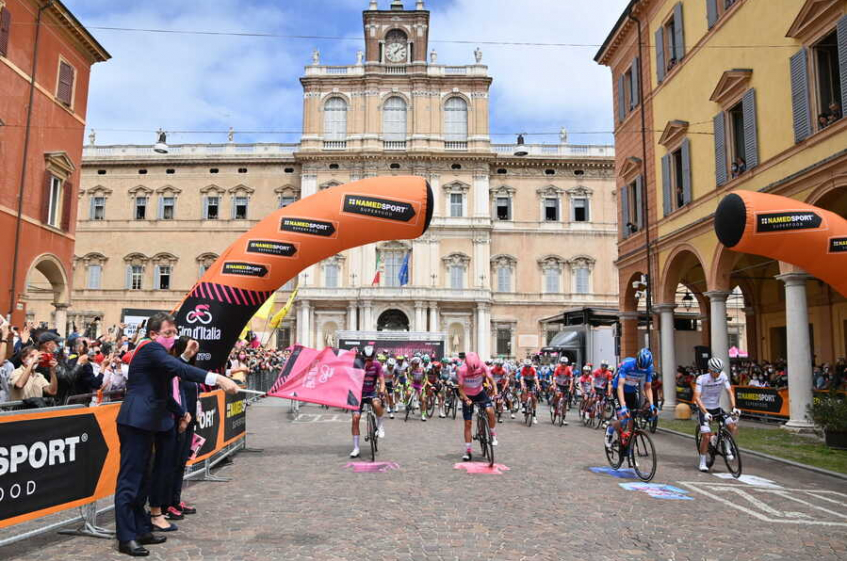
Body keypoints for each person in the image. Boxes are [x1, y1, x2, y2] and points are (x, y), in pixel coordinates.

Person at [114, 312, 238, 557]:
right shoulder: (149, 349)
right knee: (130, 480)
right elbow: (177, 368)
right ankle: (126, 536)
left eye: (174, 333)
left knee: (144, 480)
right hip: (136, 422)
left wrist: (180, 412)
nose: (173, 338)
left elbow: (162, 390)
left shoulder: (158, 355)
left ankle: (141, 529)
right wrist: (217, 378)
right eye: (168, 333)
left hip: (150, 422)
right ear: (153, 334)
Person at [693, 357, 740, 473]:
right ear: (709, 370)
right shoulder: (701, 379)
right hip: (704, 409)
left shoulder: (723, 376)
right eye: (716, 371)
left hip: (717, 408)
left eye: (720, 371)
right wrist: (705, 412)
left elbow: (730, 392)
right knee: (706, 436)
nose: (718, 374)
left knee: (732, 426)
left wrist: (734, 407)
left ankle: (727, 448)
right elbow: (697, 398)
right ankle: (702, 462)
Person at [605, 348, 656, 450]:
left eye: (644, 368)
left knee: (633, 421)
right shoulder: (627, 364)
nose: (641, 370)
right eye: (640, 367)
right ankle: (609, 431)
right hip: (618, 391)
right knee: (623, 419)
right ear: (637, 360)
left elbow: (648, 387)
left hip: (631, 391)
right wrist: (623, 406)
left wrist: (652, 404)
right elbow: (620, 386)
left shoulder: (649, 368)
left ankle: (628, 450)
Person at [457, 352, 497, 461]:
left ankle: (492, 434)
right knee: (468, 423)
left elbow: (492, 380)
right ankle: (468, 451)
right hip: (468, 395)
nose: (473, 372)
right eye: (471, 369)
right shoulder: (461, 370)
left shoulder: (482, 365)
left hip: (480, 393)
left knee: (490, 411)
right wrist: (466, 399)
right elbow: (460, 389)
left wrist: (495, 391)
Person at [350, 345, 385, 458]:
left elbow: (382, 381)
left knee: (376, 404)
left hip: (371, 392)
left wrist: (382, 391)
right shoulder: (357, 365)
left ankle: (380, 425)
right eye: (366, 359)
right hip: (358, 394)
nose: (368, 362)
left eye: (370, 360)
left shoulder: (377, 365)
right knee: (355, 419)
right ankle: (356, 448)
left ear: (374, 358)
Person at [551, 357, 574, 425]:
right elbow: (554, 379)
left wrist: (570, 388)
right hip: (558, 384)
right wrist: (554, 386)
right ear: (560, 363)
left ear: (567, 363)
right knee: (557, 395)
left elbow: (571, 380)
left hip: (565, 386)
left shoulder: (569, 370)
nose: (563, 364)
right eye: (562, 363)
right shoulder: (557, 369)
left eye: (565, 363)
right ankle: (554, 405)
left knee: (564, 403)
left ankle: (563, 419)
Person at [519, 359, 539, 424]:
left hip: (531, 382)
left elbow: (536, 379)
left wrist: (538, 386)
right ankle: (523, 405)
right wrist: (522, 385)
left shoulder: (533, 369)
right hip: (525, 381)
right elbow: (521, 379)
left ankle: (534, 416)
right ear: (524, 366)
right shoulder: (523, 369)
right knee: (524, 391)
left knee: (534, 398)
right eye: (526, 366)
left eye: (529, 366)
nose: (527, 368)